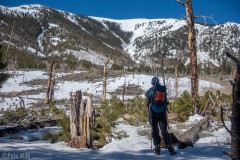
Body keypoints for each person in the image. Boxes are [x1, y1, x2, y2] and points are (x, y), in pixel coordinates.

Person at [145, 76, 176, 155]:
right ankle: (170, 148)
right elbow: (165, 101)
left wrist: (148, 109)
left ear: (152, 83)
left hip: (153, 113)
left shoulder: (149, 91)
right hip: (162, 113)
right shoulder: (163, 90)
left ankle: (157, 148)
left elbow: (146, 103)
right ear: (158, 82)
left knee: (155, 131)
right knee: (164, 131)